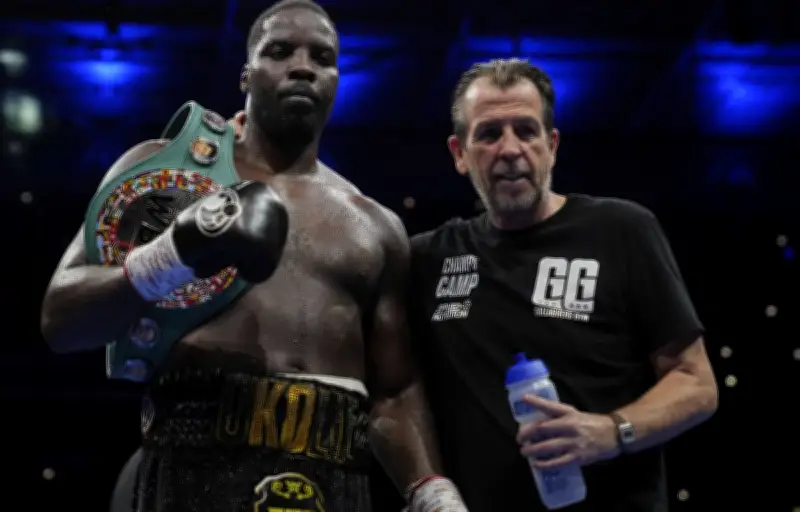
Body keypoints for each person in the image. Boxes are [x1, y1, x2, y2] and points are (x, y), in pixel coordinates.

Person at [41, 1, 469, 511]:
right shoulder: (168, 173)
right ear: (246, 74)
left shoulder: (375, 228)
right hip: (190, 475)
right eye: (280, 51)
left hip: (331, 487)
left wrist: (433, 494)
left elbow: (394, 393)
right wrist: (172, 254)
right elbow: (61, 319)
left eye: (323, 57)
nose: (303, 67)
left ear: (336, 80)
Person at [407, 58, 719, 511]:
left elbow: (695, 382)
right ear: (460, 153)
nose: (510, 149)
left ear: (551, 145)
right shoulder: (429, 259)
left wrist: (612, 430)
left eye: (526, 131)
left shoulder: (621, 230)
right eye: (489, 134)